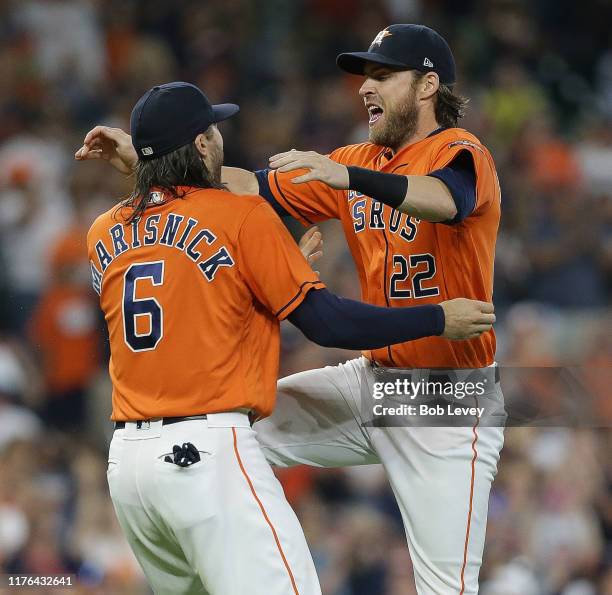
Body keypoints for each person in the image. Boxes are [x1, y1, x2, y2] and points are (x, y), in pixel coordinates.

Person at [83, 81, 494, 595]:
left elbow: (450, 199)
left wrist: (150, 162)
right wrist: (436, 317)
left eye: (383, 74)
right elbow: (326, 322)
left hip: (130, 464)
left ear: (428, 84)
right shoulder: (245, 217)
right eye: (214, 128)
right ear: (204, 144)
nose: (367, 84)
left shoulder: (102, 230)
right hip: (212, 444)